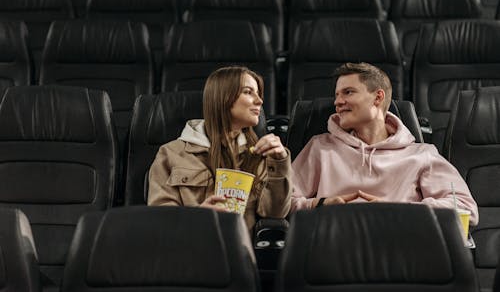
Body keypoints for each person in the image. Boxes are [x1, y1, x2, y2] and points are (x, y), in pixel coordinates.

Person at [291, 62, 479, 225]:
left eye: (348, 92)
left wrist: (397, 211)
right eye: (337, 95)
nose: (338, 102)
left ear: (378, 97)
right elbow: (280, 204)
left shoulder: (422, 155)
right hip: (332, 246)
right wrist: (319, 205)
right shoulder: (320, 147)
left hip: (396, 252)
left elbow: (466, 209)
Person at [148, 66, 292, 230]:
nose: (259, 101)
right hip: (188, 249)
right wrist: (198, 216)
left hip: (239, 251)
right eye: (248, 92)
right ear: (223, 98)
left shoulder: (259, 153)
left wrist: (280, 161)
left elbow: (275, 214)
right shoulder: (171, 153)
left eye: (258, 93)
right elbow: (160, 219)